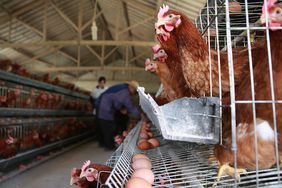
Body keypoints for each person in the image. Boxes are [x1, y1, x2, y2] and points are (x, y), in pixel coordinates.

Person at [96, 81, 141, 150]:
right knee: (108, 127)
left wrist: (121, 108)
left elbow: (117, 101)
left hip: (103, 105)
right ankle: (109, 146)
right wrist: (140, 115)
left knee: (103, 125)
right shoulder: (125, 92)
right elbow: (130, 106)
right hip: (105, 107)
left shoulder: (123, 88)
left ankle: (103, 143)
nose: (133, 94)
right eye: (134, 92)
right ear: (132, 88)